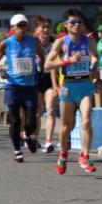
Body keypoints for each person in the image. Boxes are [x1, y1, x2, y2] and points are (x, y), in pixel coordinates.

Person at [44, 9, 99, 175]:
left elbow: (95, 56)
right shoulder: (62, 42)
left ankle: (85, 155)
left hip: (85, 85)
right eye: (73, 22)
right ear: (66, 25)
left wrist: (94, 64)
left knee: (87, 121)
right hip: (68, 86)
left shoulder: (89, 41)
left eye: (79, 22)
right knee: (66, 126)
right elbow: (47, 65)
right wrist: (68, 61)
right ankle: (63, 155)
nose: (77, 25)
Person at [0, 14, 46, 161]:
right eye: (19, 26)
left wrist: (40, 69)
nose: (22, 28)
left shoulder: (34, 41)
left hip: (30, 86)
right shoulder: (6, 43)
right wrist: (0, 70)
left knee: (30, 121)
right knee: (15, 120)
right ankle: (17, 150)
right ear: (12, 28)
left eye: (24, 25)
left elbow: (42, 57)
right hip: (13, 86)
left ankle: (27, 136)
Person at [33, 16, 59, 153]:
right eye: (42, 27)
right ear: (36, 29)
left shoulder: (55, 43)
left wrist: (57, 86)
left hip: (50, 78)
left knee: (50, 110)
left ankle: (48, 141)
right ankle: (34, 138)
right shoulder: (32, 43)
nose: (45, 30)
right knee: (37, 112)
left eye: (48, 27)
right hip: (36, 79)